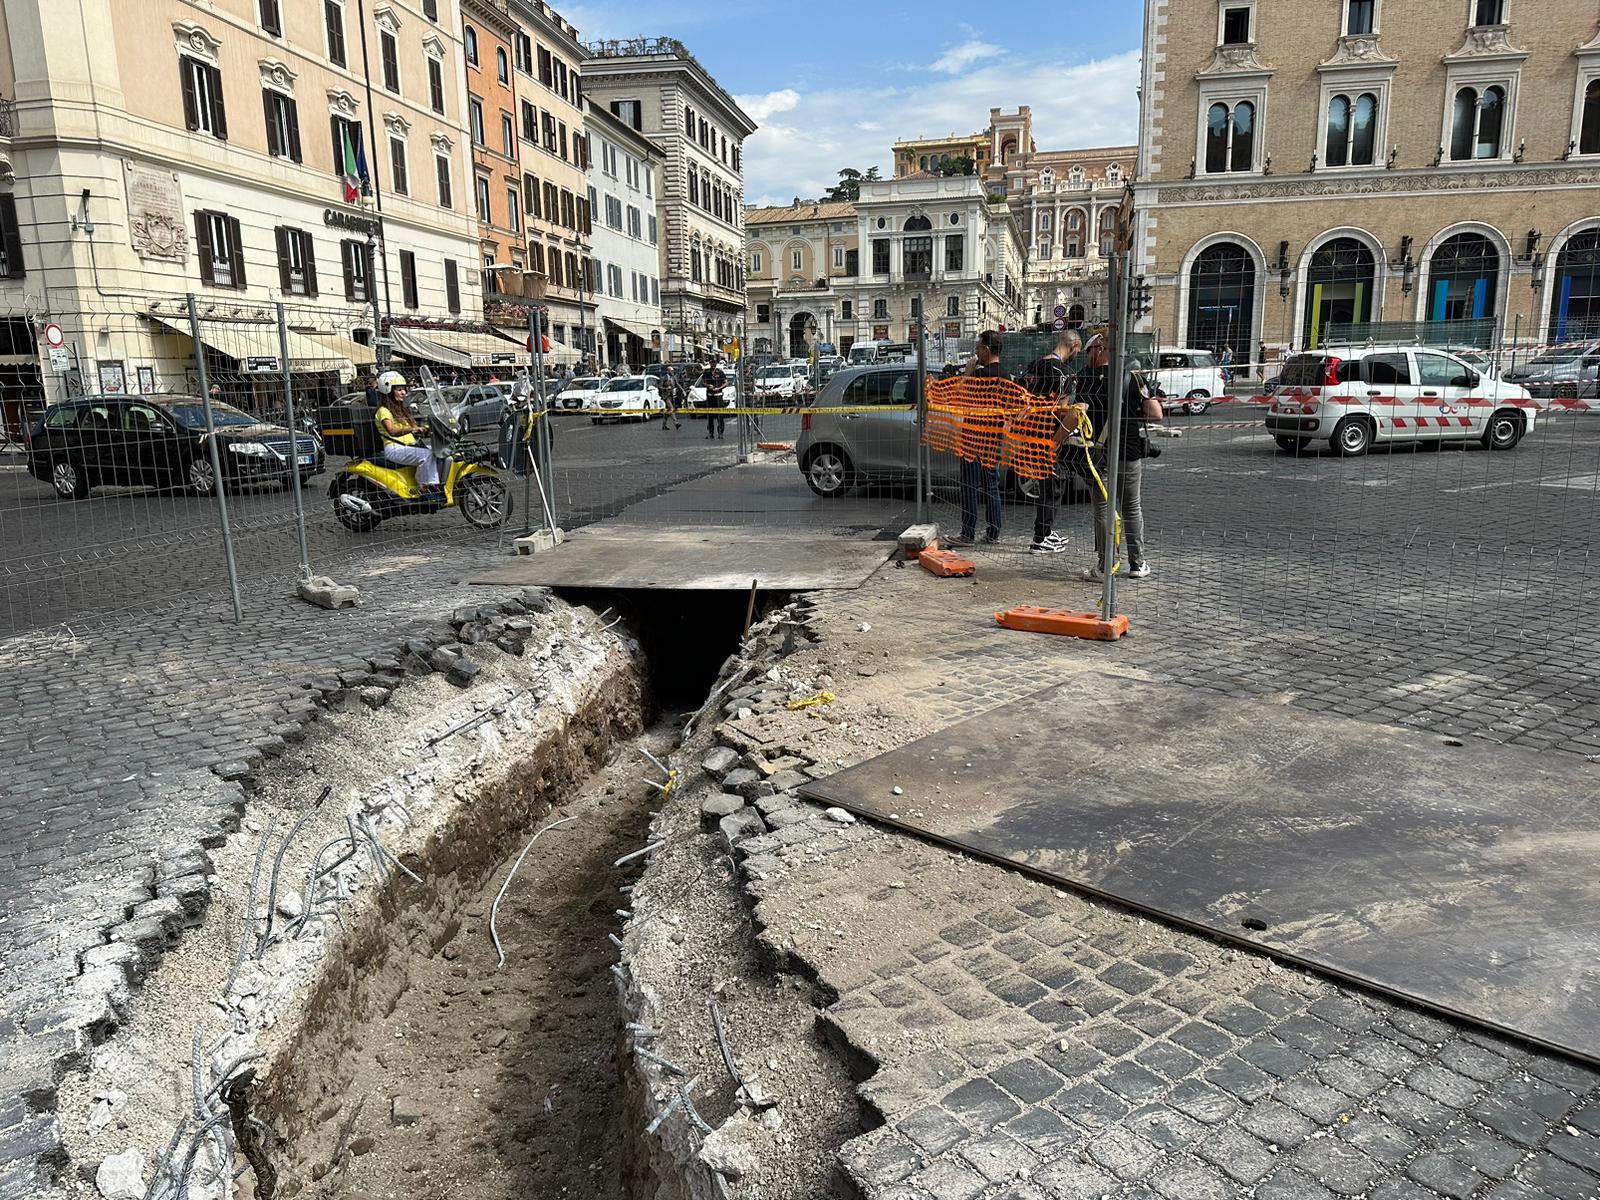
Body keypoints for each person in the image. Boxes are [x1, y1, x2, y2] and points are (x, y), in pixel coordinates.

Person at [1075, 335, 1151, 580]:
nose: (1087, 358)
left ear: (1100, 349)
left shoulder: (1087, 379)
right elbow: (1154, 411)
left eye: (1089, 352)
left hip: (1101, 453)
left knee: (1103, 510)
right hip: (1130, 450)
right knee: (1132, 507)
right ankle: (1137, 564)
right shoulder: (1133, 377)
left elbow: (1077, 414)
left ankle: (1105, 565)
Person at [1019, 329, 1082, 554]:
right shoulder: (1064, 373)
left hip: (1028, 433)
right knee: (1054, 484)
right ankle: (1041, 537)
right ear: (1074, 346)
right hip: (1048, 437)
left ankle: (1044, 532)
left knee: (1049, 483)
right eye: (1078, 351)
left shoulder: (1033, 366)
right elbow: (1061, 409)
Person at [951, 330, 1012, 546]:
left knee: (969, 485)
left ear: (986, 350)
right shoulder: (1005, 375)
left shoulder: (978, 376)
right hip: (993, 438)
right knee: (992, 485)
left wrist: (967, 372)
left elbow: (958, 395)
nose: (976, 352)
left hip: (972, 439)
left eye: (978, 348)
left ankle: (967, 533)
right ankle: (993, 532)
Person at [373, 370, 441, 491]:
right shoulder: (384, 411)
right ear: (388, 390)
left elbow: (415, 427)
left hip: (410, 446)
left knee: (437, 451)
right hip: (394, 448)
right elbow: (392, 431)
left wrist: (429, 428)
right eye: (399, 390)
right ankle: (425, 486)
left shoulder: (402, 410)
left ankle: (437, 482)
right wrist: (413, 429)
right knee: (427, 455)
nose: (403, 393)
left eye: (404, 389)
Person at [701, 356, 728, 440]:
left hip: (718, 396)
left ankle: (720, 433)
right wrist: (708, 385)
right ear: (710, 363)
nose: (713, 364)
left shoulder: (720, 372)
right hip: (710, 396)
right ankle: (710, 433)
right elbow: (703, 382)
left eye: (714, 363)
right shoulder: (706, 372)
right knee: (710, 416)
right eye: (712, 363)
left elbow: (726, 382)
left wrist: (719, 388)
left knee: (720, 416)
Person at [660, 367, 682, 432]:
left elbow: (677, 384)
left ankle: (664, 425)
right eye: (671, 371)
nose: (672, 372)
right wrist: (666, 388)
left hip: (672, 396)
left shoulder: (673, 377)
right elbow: (659, 386)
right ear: (668, 371)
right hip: (666, 396)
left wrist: (682, 390)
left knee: (668, 411)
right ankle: (676, 423)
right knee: (671, 409)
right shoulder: (663, 378)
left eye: (673, 371)